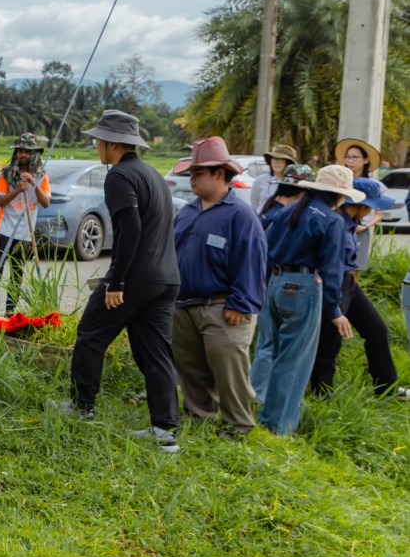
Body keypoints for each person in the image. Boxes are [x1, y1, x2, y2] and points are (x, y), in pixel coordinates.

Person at [65, 110, 181, 452]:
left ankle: (81, 407)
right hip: (166, 279)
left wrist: (116, 282)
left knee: (90, 334)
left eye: (98, 140)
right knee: (156, 351)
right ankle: (165, 432)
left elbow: (130, 230)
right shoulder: (153, 174)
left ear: (113, 144)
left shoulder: (119, 176)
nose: (96, 146)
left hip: (136, 278)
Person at [169, 138, 268, 438]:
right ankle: (200, 417)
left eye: (198, 173)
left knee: (229, 369)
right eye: (191, 173)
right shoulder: (187, 211)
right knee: (191, 367)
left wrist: (242, 303)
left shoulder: (240, 215)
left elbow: (252, 261)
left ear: (220, 174)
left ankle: (239, 425)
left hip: (222, 307)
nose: (192, 179)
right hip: (184, 305)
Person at [250, 165, 356, 435]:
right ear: (339, 195)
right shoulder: (332, 220)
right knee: (294, 361)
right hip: (303, 287)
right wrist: (334, 309)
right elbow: (333, 268)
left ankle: (263, 412)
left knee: (270, 350)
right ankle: (279, 427)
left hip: (273, 284)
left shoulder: (288, 209)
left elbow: (266, 248)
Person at [308, 176, 406, 399]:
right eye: (370, 207)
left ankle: (386, 388)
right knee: (330, 339)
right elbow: (329, 265)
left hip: (350, 283)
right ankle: (321, 394)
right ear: (359, 204)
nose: (372, 212)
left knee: (377, 329)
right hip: (334, 283)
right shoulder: (337, 223)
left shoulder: (351, 222)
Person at [0, 133, 51, 315]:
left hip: (24, 232)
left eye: (27, 151)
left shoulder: (41, 175)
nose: (23, 155)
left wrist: (33, 184)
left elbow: (45, 202)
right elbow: (0, 201)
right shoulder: (6, 173)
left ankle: (10, 311)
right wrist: (18, 189)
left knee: (17, 274)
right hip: (4, 230)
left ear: (34, 154)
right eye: (20, 151)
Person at [251, 143, 297, 211]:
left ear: (288, 163)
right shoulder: (260, 180)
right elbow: (254, 204)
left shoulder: (295, 184)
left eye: (280, 159)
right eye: (273, 159)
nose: (276, 162)